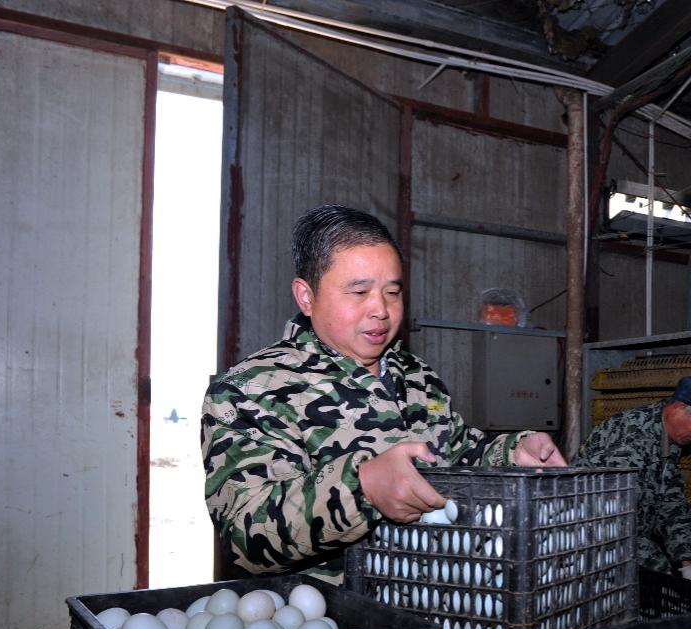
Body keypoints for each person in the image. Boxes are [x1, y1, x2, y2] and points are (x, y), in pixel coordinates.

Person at [202, 204, 566, 575]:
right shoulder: (250, 390)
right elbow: (246, 535)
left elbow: (455, 455)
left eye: (392, 292)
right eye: (359, 292)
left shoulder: (416, 374)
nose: (381, 310)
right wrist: (363, 488)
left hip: (440, 601)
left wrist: (512, 452)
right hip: (341, 618)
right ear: (306, 296)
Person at [574, 375, 691, 581]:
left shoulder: (667, 437)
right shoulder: (630, 442)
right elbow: (613, 525)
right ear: (679, 408)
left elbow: (671, 502)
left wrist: (687, 563)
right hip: (591, 547)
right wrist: (662, 570)